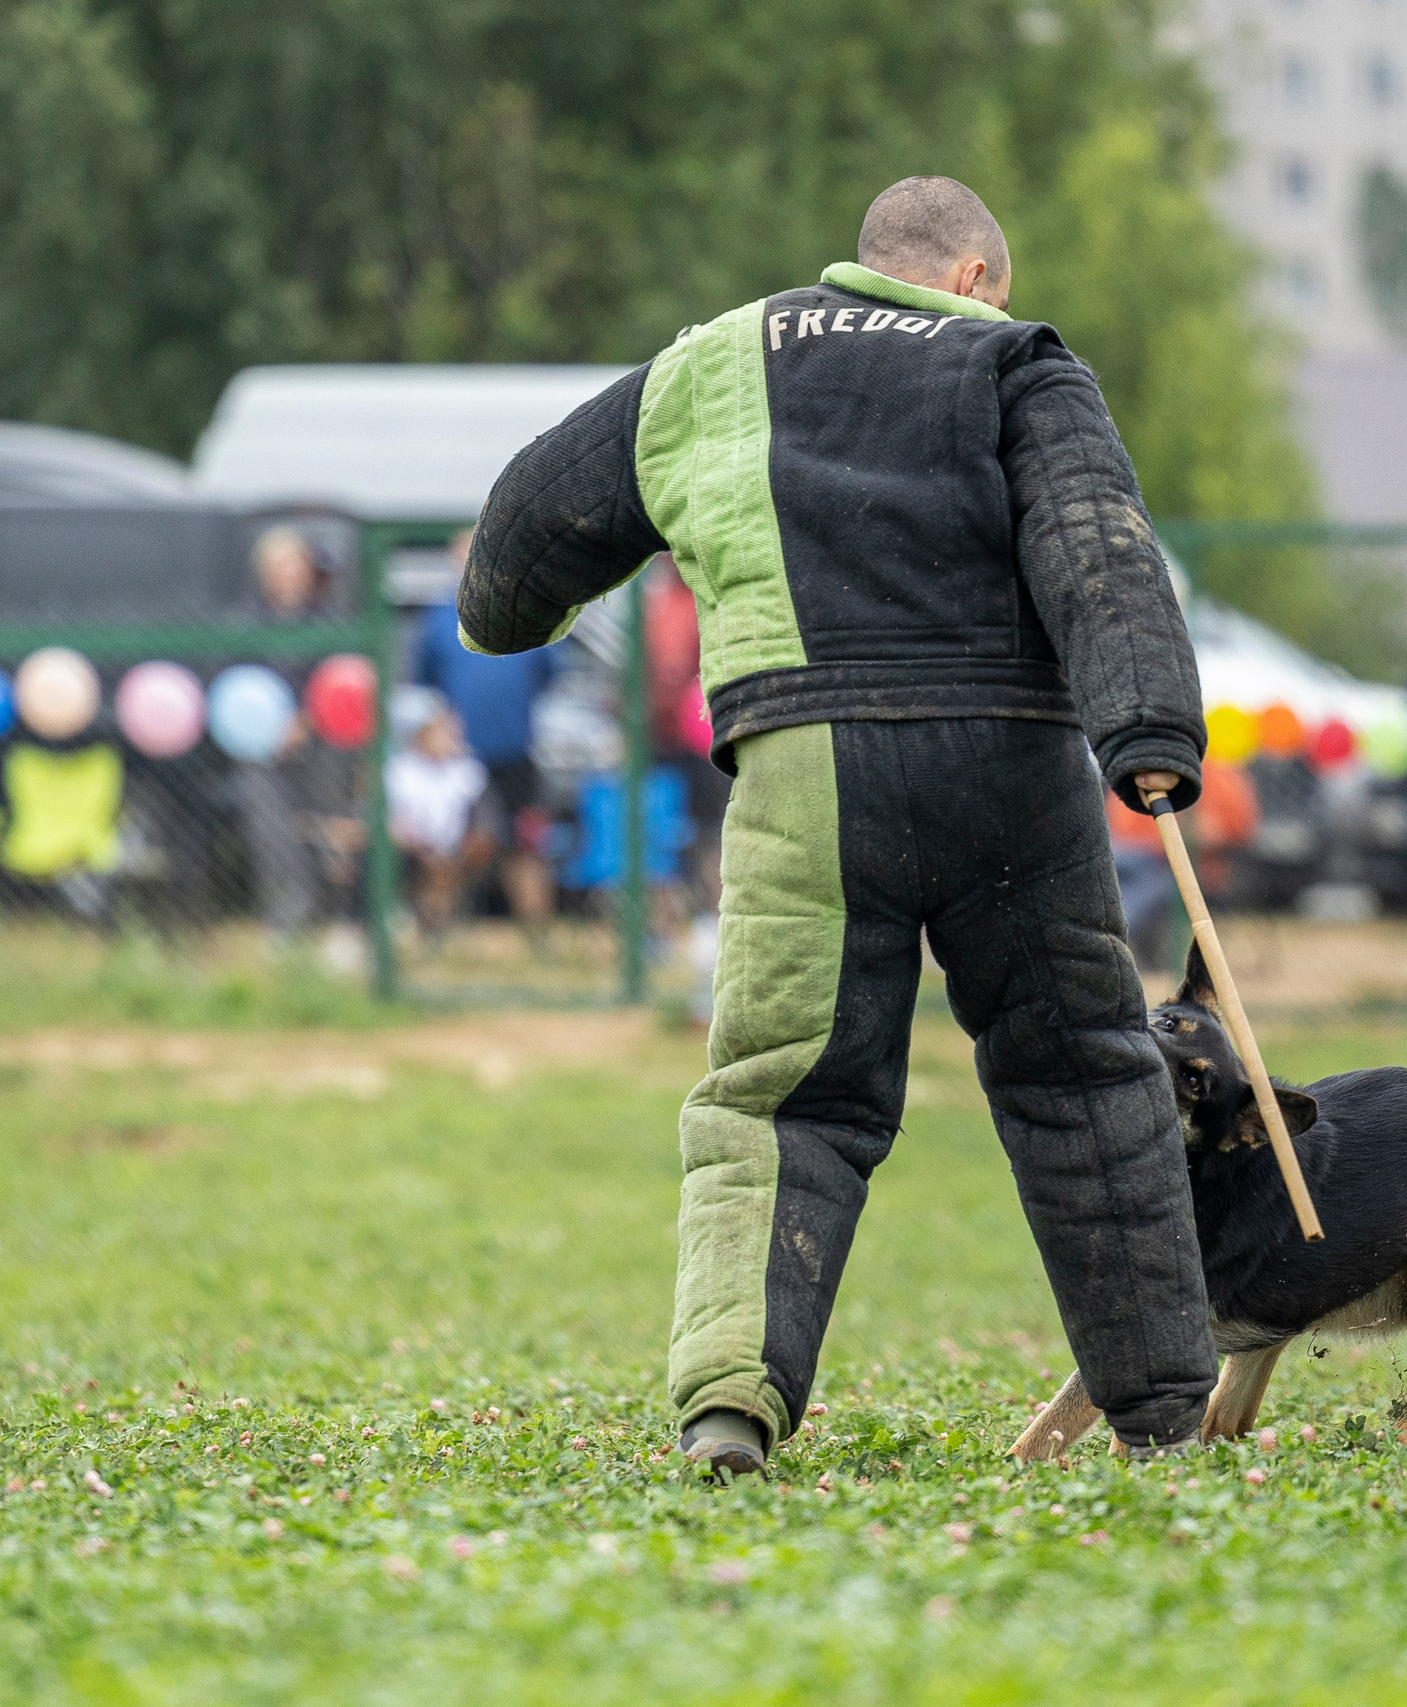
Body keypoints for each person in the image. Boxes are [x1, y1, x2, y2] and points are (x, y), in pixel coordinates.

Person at [457, 176, 1219, 1475]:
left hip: (805, 762)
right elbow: (1099, 545)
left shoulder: (711, 364)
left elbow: (524, 538)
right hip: (1012, 771)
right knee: (1084, 1071)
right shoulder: (1017, 362)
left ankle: (728, 1407)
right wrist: (1147, 731)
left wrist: (499, 622)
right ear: (974, 278)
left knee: (780, 1095)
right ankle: (1164, 1415)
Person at [416, 530, 560, 945]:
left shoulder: (524, 612)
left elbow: (548, 676)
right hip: (458, 761)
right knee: (452, 849)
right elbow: (424, 687)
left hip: (516, 754)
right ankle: (433, 935)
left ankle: (540, 939)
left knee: (526, 847)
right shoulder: (439, 619)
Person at [234, 526, 359, 939]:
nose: (287, 574)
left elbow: (340, 682)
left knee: (331, 828)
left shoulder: (329, 623)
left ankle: (340, 918)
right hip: (261, 752)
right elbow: (233, 686)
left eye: (294, 565)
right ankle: (289, 916)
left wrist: (306, 720)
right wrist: (267, 730)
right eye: (278, 566)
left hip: (324, 747)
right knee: (270, 828)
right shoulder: (246, 624)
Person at [1106, 753, 1259, 971]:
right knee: (1117, 866)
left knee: (1143, 881)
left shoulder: (1219, 776)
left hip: (1189, 869)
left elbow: (1238, 828)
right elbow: (1121, 827)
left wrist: (1195, 834)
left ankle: (1116, 934)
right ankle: (1113, 935)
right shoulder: (1137, 774)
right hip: (1138, 860)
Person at [384, 696, 492, 945]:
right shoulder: (399, 770)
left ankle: (438, 928)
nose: (450, 738)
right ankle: (415, 922)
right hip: (413, 849)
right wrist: (415, 842)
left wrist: (462, 848)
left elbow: (484, 821)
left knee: (452, 863)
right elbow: (389, 818)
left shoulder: (469, 772)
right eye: (441, 731)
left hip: (457, 851)